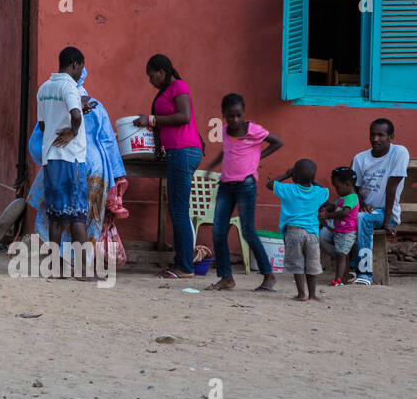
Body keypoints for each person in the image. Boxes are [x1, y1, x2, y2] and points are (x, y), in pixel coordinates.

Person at [28, 67, 127, 256]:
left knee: (56, 216)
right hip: (84, 165)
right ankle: (83, 267)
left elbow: (37, 138)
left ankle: (57, 264)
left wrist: (44, 154)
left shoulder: (48, 94)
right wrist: (117, 174)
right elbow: (108, 141)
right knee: (81, 217)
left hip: (55, 162)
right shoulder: (94, 105)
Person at [134, 54, 204, 279]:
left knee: (179, 211)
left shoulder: (179, 86)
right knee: (177, 209)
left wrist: (152, 120)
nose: (150, 80)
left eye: (151, 75)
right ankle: (183, 263)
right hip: (176, 152)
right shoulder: (163, 93)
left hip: (184, 152)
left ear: (162, 71)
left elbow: (184, 117)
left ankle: (184, 266)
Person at [202, 93, 281, 291]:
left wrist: (257, 156)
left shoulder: (253, 130)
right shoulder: (226, 131)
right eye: (230, 116)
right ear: (224, 115)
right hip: (226, 185)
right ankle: (226, 277)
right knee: (218, 231)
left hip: (246, 185)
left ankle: (268, 275)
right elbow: (226, 151)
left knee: (248, 231)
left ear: (243, 113)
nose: (234, 120)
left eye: (238, 115)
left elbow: (278, 142)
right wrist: (212, 165)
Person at [35, 46, 94, 279]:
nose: (81, 73)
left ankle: (54, 269)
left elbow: (42, 126)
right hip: (71, 158)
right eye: (81, 68)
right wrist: (72, 131)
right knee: (78, 214)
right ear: (75, 64)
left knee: (56, 215)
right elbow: (76, 115)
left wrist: (60, 125)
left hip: (50, 159)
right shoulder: (69, 85)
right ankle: (83, 271)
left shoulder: (44, 88)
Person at [350, 118, 409, 285]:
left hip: (386, 212)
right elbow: (352, 188)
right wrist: (361, 203)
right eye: (372, 135)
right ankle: (348, 268)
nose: (375, 139)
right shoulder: (360, 158)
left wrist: (387, 222)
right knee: (328, 228)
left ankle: (364, 273)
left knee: (363, 219)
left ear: (391, 136)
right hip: (365, 209)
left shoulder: (399, 153)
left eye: (381, 135)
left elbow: (391, 188)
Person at [268, 159, 330, 302]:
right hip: (312, 234)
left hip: (294, 232)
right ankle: (313, 294)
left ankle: (302, 294)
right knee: (312, 265)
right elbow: (325, 191)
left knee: (297, 264)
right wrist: (313, 181)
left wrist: (286, 175)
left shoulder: (288, 189)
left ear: (294, 176)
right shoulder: (317, 192)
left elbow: (270, 184)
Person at [320, 167, 361, 287]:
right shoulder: (343, 197)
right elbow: (336, 206)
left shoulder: (352, 197)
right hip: (340, 231)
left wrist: (328, 215)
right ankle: (342, 278)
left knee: (341, 256)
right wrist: (328, 208)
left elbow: (344, 212)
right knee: (343, 255)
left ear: (347, 184)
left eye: (337, 187)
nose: (336, 190)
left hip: (346, 232)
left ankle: (338, 280)